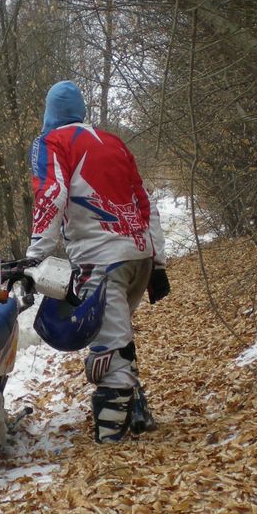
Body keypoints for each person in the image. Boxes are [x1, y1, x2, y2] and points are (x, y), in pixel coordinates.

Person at [25, 80, 170, 443]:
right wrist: (159, 262)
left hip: (101, 259)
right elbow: (145, 202)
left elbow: (51, 194)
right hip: (139, 256)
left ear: (49, 113)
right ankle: (138, 411)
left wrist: (36, 255)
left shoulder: (52, 142)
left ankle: (112, 442)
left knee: (108, 348)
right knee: (120, 337)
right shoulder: (114, 142)